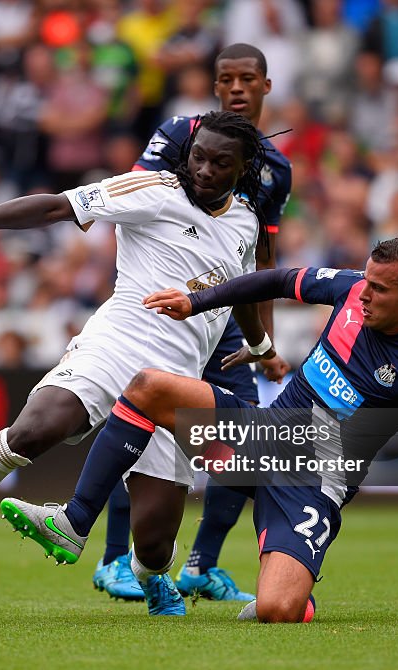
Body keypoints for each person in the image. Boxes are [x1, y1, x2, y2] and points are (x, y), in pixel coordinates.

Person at [0, 111, 272, 588]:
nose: (205, 170)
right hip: (115, 347)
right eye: (198, 157)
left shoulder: (246, 221)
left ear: (244, 167)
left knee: (152, 544)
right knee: (34, 429)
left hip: (176, 383)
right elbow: (55, 207)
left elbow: (244, 288)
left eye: (220, 163)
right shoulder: (154, 190)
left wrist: (260, 345)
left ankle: (153, 580)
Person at [5, 238, 398, 620]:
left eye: (379, 289)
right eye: (365, 282)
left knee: (276, 611)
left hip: (311, 483)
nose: (363, 294)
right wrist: (195, 302)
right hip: (258, 438)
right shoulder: (351, 289)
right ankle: (75, 522)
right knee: (148, 387)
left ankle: (289, 591)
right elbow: (275, 280)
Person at [91, 42, 292, 603]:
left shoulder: (276, 169)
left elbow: (262, 266)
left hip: (224, 317)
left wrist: (265, 342)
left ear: (265, 86)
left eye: (247, 78)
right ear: (214, 83)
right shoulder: (181, 132)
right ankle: (114, 561)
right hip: (164, 307)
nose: (236, 88)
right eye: (226, 78)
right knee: (147, 422)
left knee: (241, 436)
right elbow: (133, 202)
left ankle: (201, 563)